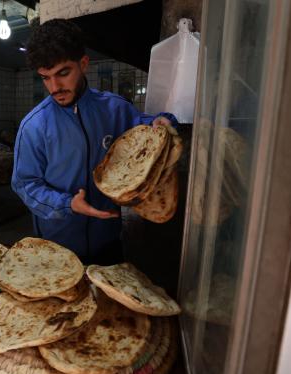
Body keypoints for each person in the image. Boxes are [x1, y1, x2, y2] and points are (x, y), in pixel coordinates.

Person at [11, 19, 177, 265]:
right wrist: (68, 204)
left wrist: (164, 119)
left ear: (83, 64)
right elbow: (25, 185)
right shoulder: (34, 126)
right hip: (57, 248)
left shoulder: (114, 109)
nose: (54, 87)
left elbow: (147, 126)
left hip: (108, 241)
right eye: (45, 78)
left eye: (63, 73)